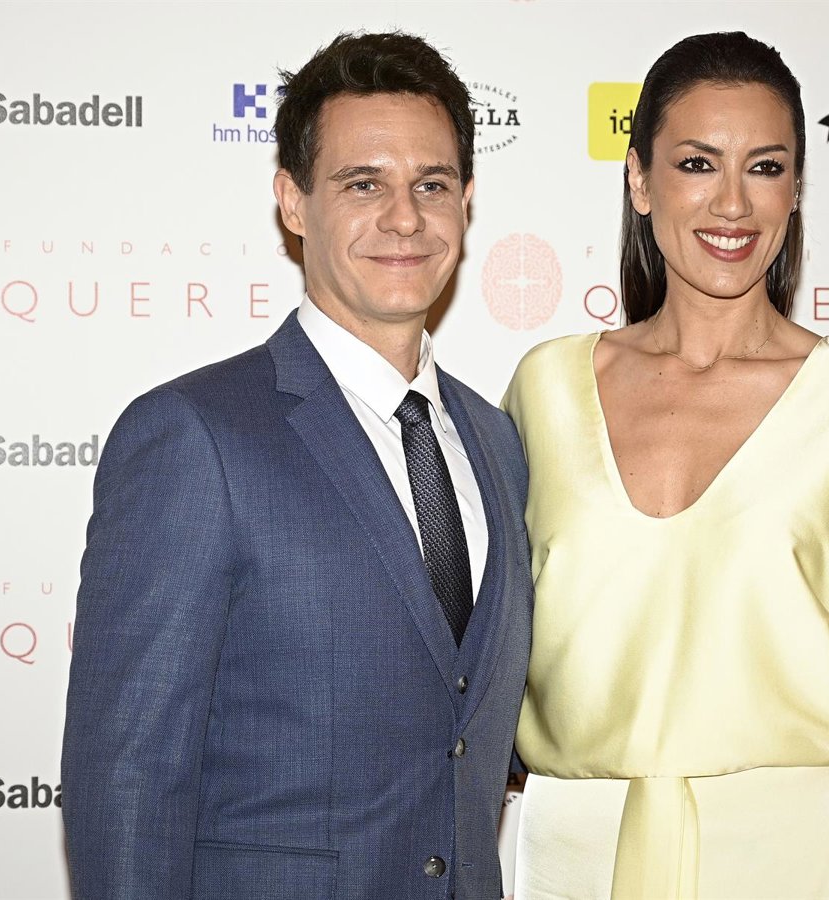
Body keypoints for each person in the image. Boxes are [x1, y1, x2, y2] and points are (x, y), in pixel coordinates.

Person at [504, 31, 829, 900]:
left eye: (766, 167)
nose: (733, 204)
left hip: (795, 858)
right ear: (639, 180)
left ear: (796, 189)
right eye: (697, 164)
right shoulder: (545, 390)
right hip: (570, 856)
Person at [61, 31, 532, 900]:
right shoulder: (194, 437)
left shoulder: (496, 442)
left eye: (432, 184)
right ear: (293, 202)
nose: (405, 218)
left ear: (466, 202)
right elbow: (128, 779)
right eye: (363, 184)